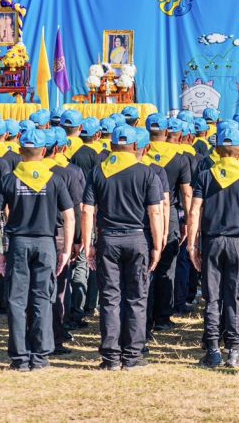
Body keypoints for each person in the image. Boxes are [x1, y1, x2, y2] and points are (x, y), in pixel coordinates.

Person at [0, 128, 75, 370]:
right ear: (44, 151)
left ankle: (20, 357)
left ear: (20, 151)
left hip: (18, 244)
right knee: (42, 298)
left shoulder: (9, 179)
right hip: (46, 243)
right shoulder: (55, 179)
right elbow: (69, 216)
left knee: (17, 300)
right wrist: (66, 250)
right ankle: (40, 356)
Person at [81, 124, 165, 370]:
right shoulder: (146, 173)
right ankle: (132, 356)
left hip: (108, 238)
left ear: (111, 145)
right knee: (136, 298)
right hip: (138, 238)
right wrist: (157, 245)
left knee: (110, 298)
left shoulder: (97, 171)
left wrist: (88, 243)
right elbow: (155, 211)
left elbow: (87, 211)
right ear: (136, 146)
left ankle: (110, 357)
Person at [187, 122, 239, 369]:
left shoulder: (205, 175)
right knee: (235, 296)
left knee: (212, 298)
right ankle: (234, 350)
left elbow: (194, 211)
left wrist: (192, 244)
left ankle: (213, 350)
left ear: (217, 149)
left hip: (211, 241)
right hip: (238, 242)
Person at [144, 114, 192, 335]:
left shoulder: (140, 153)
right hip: (169, 212)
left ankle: (144, 316)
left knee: (146, 266)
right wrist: (188, 221)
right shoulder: (180, 158)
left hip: (143, 213)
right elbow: (187, 193)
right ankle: (162, 316)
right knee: (166, 266)